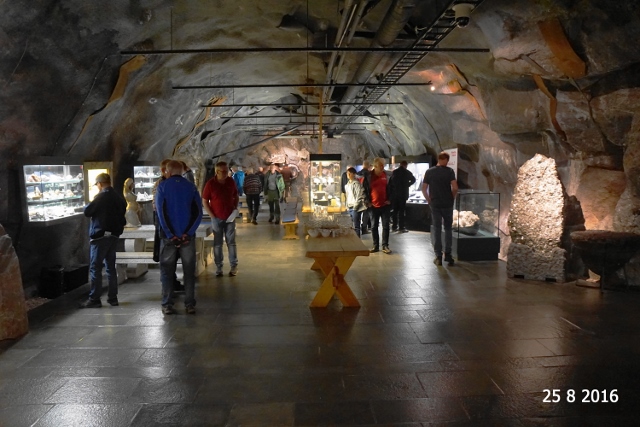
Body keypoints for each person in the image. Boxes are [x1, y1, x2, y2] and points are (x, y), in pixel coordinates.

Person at [156, 160, 203, 314]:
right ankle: (189, 304)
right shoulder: (191, 187)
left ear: (168, 171)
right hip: (187, 237)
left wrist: (171, 234)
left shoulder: (162, 187)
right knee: (189, 271)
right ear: (182, 171)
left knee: (167, 272)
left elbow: (161, 213)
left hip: (169, 238)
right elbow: (198, 212)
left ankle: (167, 304)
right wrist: (187, 233)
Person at [80, 173, 126, 308]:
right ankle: (113, 298)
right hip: (114, 236)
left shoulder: (100, 197)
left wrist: (85, 205)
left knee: (95, 268)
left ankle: (94, 298)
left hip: (100, 237)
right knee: (111, 267)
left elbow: (87, 211)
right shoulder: (118, 197)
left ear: (99, 184)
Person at [202, 161, 240, 277]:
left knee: (231, 242)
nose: (225, 173)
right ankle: (219, 267)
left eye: (226, 171)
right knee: (218, 243)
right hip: (217, 218)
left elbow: (235, 195)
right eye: (223, 171)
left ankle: (233, 266)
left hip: (230, 218)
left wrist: (235, 208)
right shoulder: (210, 184)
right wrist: (212, 216)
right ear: (217, 172)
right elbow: (205, 201)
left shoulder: (230, 181)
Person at [422, 151, 458, 267]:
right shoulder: (450, 171)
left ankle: (438, 256)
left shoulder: (430, 172)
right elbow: (455, 188)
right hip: (447, 204)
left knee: (437, 229)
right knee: (448, 228)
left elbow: (424, 188)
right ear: (446, 160)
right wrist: (451, 198)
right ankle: (448, 254)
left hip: (435, 203)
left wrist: (429, 199)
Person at [363, 158, 393, 254]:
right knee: (374, 226)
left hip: (385, 205)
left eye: (383, 165)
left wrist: (390, 200)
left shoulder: (387, 176)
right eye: (380, 166)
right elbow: (364, 190)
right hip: (373, 206)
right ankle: (375, 245)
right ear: (375, 166)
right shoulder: (369, 176)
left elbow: (393, 189)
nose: (382, 168)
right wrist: (367, 201)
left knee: (386, 226)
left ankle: (385, 245)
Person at [391, 160, 416, 233]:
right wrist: (408, 185)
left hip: (395, 194)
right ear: (406, 165)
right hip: (403, 194)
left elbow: (391, 182)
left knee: (395, 211)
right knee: (401, 211)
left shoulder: (395, 172)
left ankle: (394, 226)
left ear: (400, 164)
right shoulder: (407, 172)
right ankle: (401, 227)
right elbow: (413, 179)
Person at [344, 167, 368, 237]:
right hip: (350, 207)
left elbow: (359, 196)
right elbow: (347, 196)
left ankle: (357, 240)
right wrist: (347, 206)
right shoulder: (348, 184)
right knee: (351, 225)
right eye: (347, 173)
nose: (348, 175)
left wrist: (355, 207)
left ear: (353, 174)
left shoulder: (356, 183)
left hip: (355, 208)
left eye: (349, 173)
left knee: (356, 225)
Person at [357, 160, 372, 234]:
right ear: (368, 165)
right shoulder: (369, 174)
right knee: (366, 214)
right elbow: (369, 187)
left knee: (358, 213)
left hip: (358, 197)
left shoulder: (358, 174)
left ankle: (357, 228)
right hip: (366, 196)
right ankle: (364, 228)